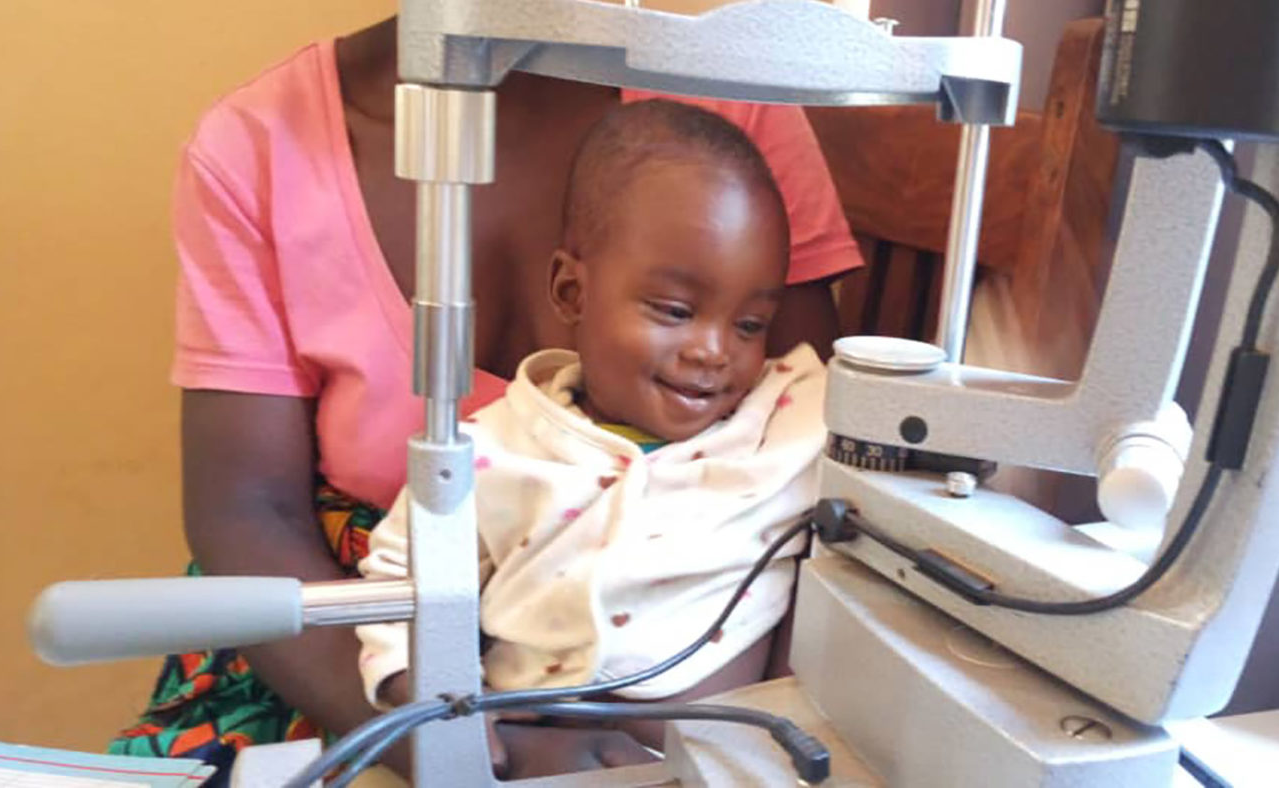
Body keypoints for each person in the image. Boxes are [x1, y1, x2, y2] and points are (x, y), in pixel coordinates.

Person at [110, 15, 860, 782]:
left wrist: (738, 716)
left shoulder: (733, 107)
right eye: (675, 311)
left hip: (682, 667)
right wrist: (441, 739)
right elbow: (246, 513)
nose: (709, 347)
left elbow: (810, 459)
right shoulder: (258, 145)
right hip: (351, 639)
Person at [356, 101, 826, 757]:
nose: (715, 350)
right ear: (572, 293)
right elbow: (402, 579)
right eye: (675, 310)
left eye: (749, 325)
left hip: (729, 759)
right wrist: (441, 710)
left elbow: (905, 416)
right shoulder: (493, 449)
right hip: (532, 739)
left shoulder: (786, 418)